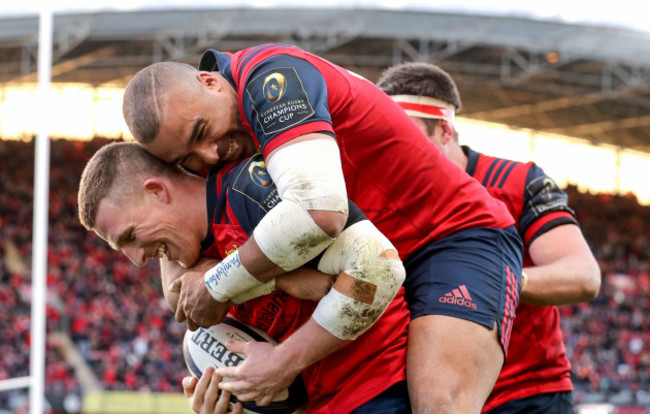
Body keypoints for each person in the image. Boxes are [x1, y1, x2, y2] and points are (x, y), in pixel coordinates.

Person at [122, 43, 523, 413]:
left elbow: (318, 214)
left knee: (437, 405)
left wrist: (217, 285)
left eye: (200, 132)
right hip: (376, 260)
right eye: (186, 159)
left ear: (210, 82)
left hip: (453, 236)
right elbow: (180, 292)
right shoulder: (220, 146)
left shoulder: (271, 76)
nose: (209, 155)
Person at [77, 141, 411, 414]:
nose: (137, 260)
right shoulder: (195, 283)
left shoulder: (252, 192)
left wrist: (282, 356)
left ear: (157, 192)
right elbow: (283, 385)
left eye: (131, 235)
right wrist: (238, 403)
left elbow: (375, 272)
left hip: (379, 388)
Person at [376, 61, 601, 414]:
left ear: (444, 131)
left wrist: (493, 278)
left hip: (526, 395)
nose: (396, 150)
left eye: (408, 135)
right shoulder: (381, 196)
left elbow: (582, 276)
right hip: (430, 398)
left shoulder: (516, 181)